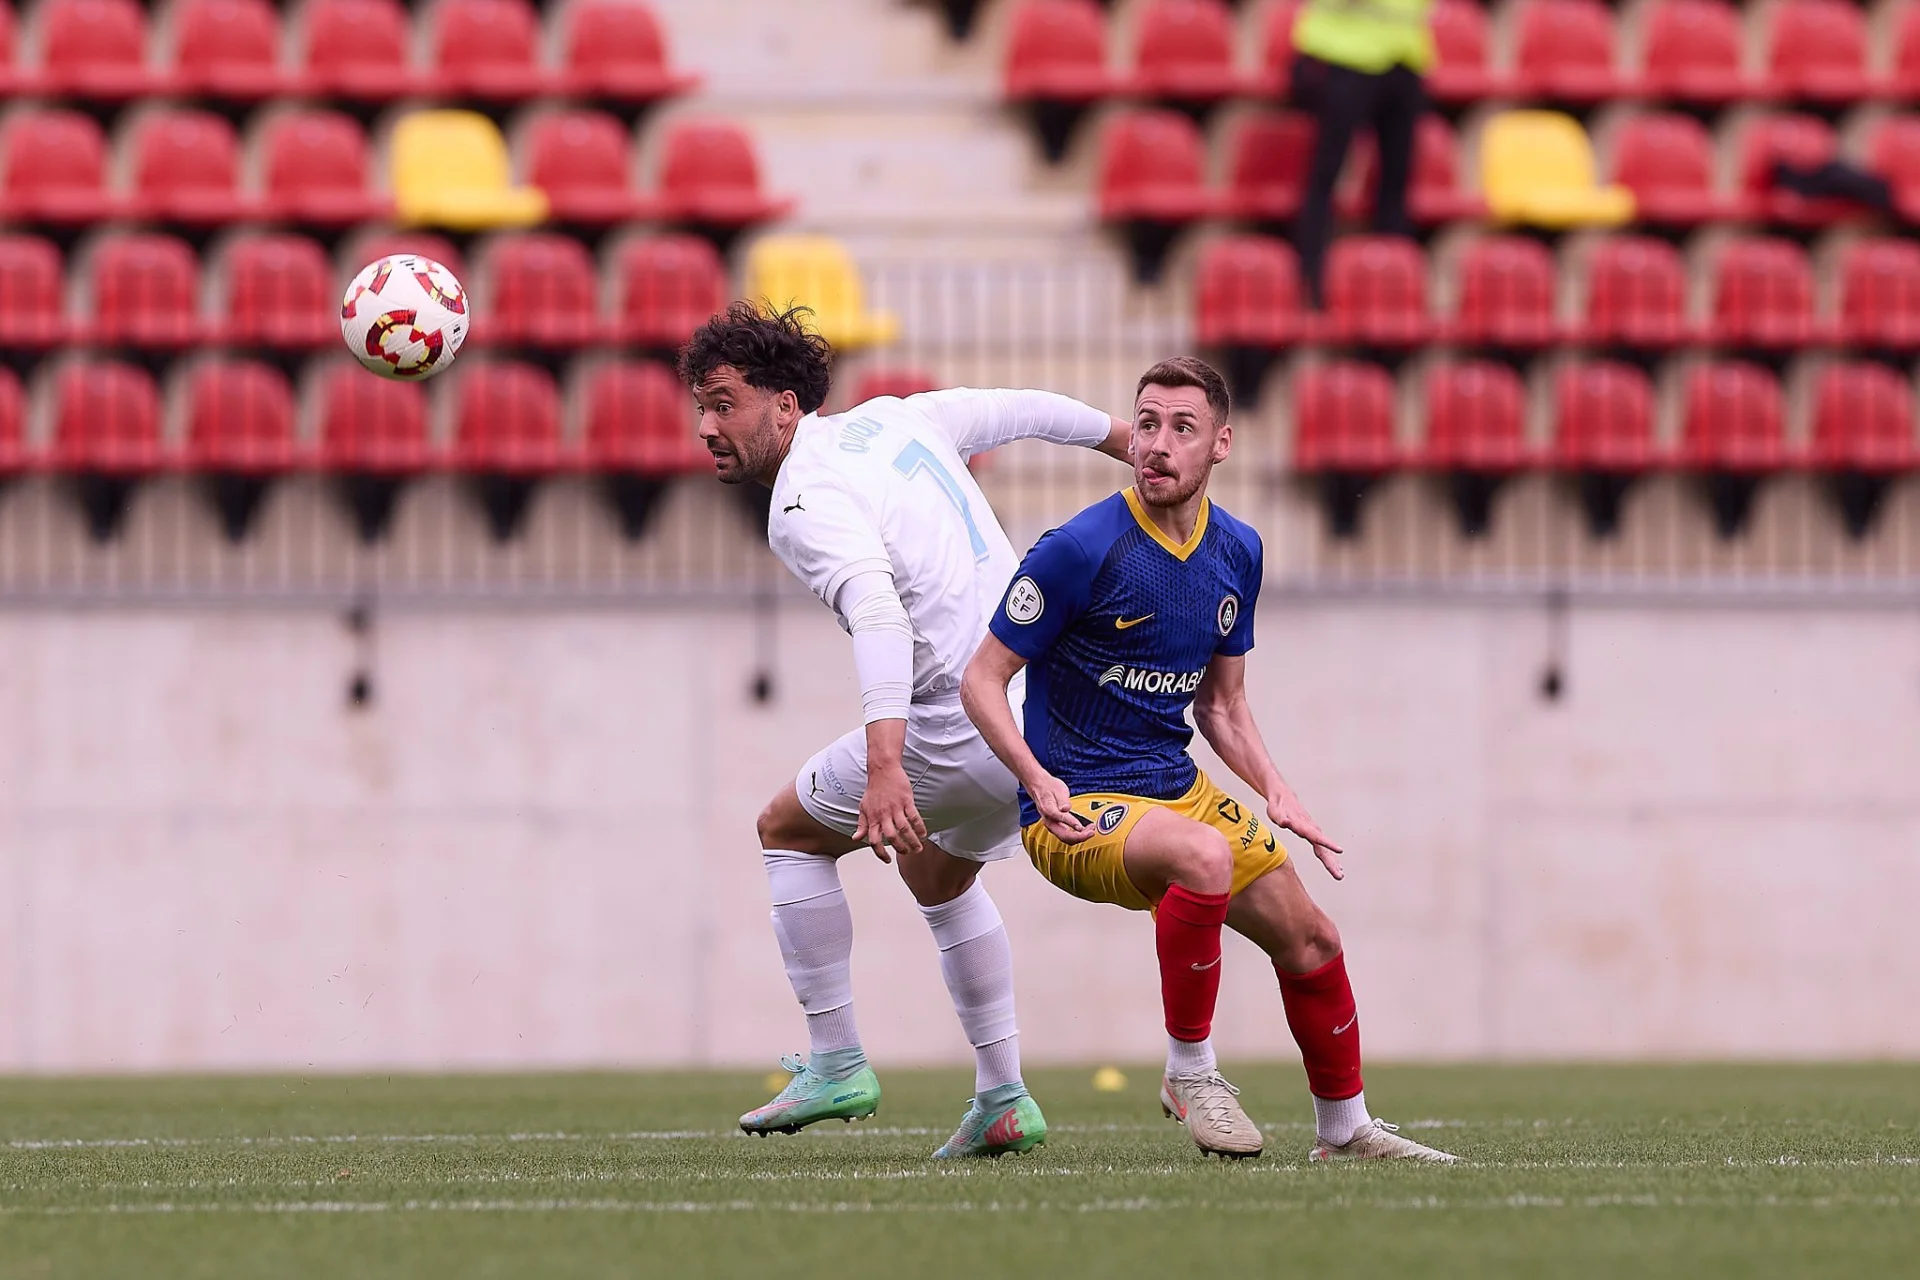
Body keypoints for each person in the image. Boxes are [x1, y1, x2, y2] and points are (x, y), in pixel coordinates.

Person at [960, 355, 1455, 1163]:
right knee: (1204, 856)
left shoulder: (1238, 551)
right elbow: (980, 680)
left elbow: (1220, 705)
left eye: (1181, 428)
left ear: (1221, 444)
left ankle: (1345, 1130)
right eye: (1146, 424)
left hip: (1175, 790)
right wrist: (1036, 779)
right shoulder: (1079, 549)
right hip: (1076, 808)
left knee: (1314, 939)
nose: (1156, 444)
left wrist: (1277, 790)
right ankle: (1190, 1072)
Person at [679, 301, 1131, 1158]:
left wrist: (886, 765)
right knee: (939, 875)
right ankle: (1003, 1096)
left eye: (724, 403)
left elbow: (880, 615)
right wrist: (1123, 440)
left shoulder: (803, 497)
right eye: (701, 407)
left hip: (952, 728)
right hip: (1030, 715)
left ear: (785, 406)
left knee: (786, 831)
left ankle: (836, 1060)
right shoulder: (897, 418)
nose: (706, 427)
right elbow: (1024, 407)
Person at [1288, 0, 1433, 308]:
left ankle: (1394, 292)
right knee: (1325, 178)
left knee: (1397, 184)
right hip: (1344, 53)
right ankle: (1310, 285)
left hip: (1404, 57)